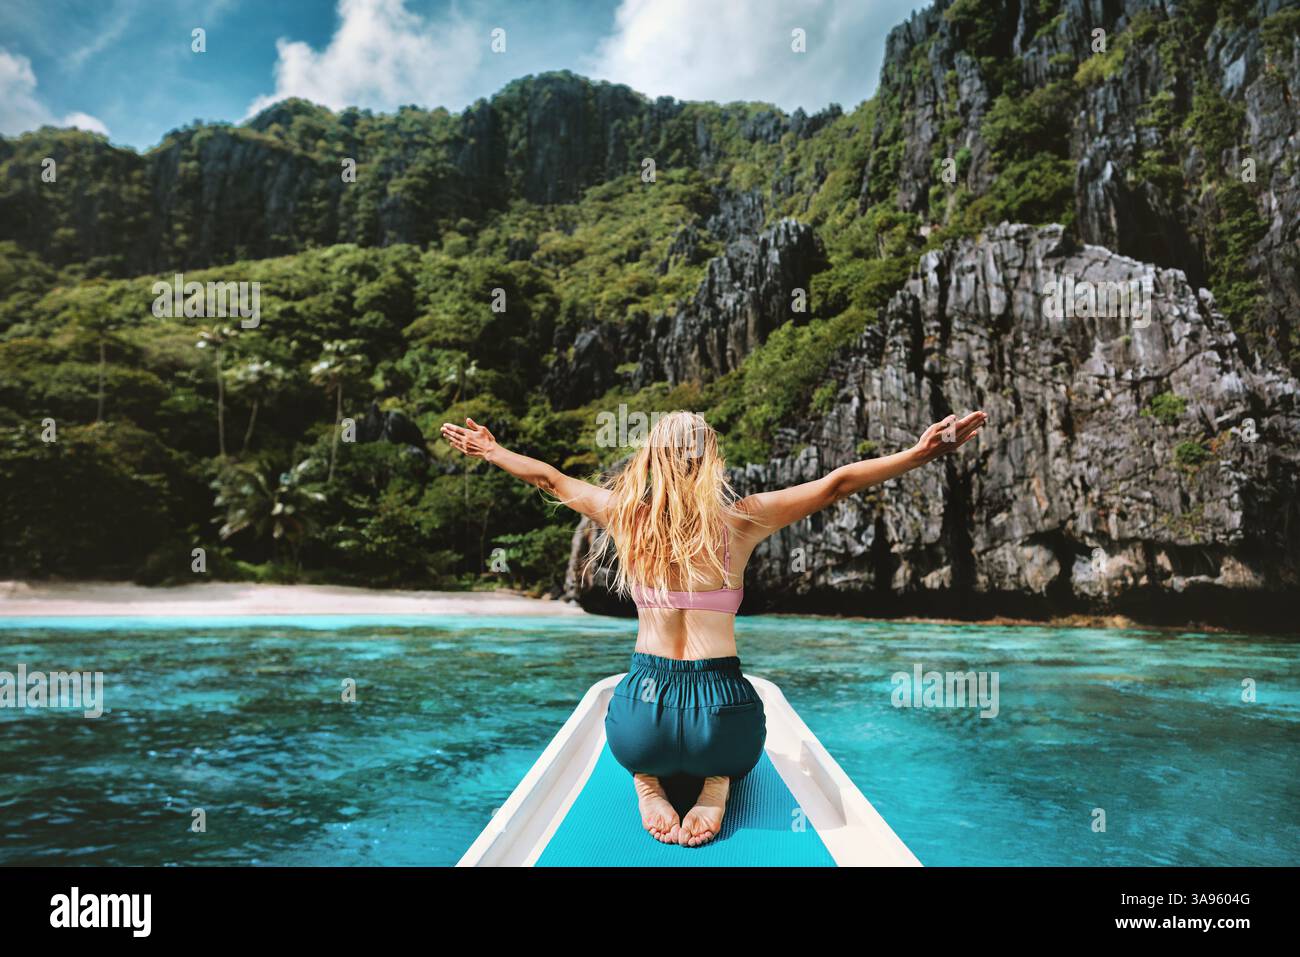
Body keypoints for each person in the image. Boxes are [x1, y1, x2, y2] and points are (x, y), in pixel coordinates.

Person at [440, 408, 987, 847]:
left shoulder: (626, 516)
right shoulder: (742, 519)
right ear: (709, 462)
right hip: (722, 721)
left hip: (640, 722)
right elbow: (834, 484)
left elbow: (550, 479)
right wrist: (919, 453)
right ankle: (717, 783)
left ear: (651, 458)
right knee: (735, 743)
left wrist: (491, 449)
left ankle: (647, 781)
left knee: (630, 735)